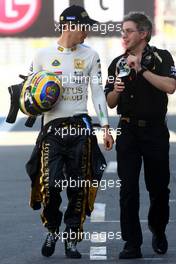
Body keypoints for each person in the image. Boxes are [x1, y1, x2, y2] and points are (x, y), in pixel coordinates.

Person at [27, 4, 113, 259]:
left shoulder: (91, 55)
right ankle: (52, 228)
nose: (87, 32)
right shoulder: (42, 55)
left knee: (78, 187)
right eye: (84, 27)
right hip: (52, 131)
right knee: (50, 186)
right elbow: (30, 95)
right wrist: (30, 103)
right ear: (70, 26)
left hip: (80, 128)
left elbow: (97, 92)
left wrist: (106, 127)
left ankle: (71, 238)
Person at [105, 12, 176, 259]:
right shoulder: (116, 63)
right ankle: (131, 242)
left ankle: (158, 230)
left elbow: (170, 86)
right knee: (128, 189)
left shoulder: (161, 57)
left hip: (155, 130)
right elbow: (110, 103)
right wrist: (115, 90)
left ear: (143, 33)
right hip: (127, 130)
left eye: (128, 31)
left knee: (158, 187)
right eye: (122, 31)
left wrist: (142, 69)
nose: (123, 35)